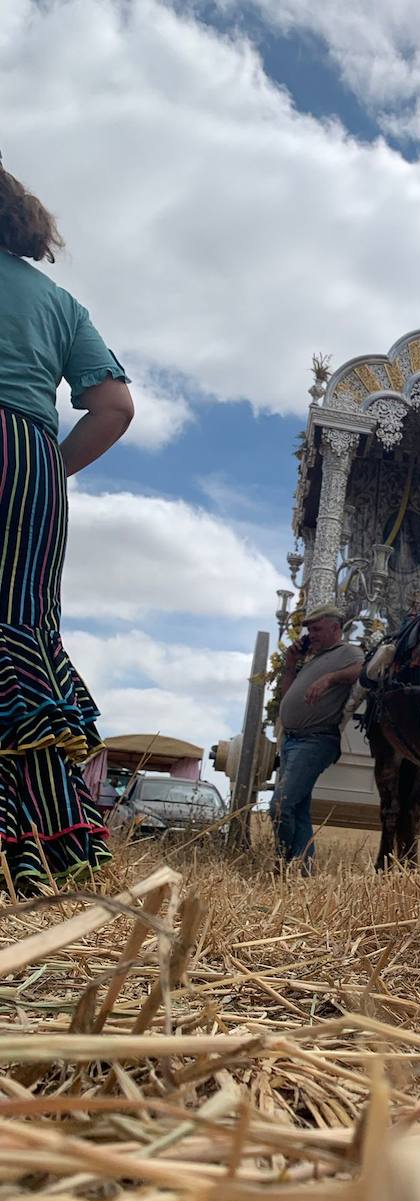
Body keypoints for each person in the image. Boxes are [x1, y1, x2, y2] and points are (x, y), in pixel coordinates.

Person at [0, 159, 134, 892]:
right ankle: (41, 845)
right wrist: (45, 467)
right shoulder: (58, 302)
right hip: (28, 461)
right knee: (20, 632)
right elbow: (114, 407)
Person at [271, 604, 363, 871]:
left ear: (336, 628)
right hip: (292, 741)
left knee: (279, 806)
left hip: (315, 740)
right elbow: (287, 698)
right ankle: (303, 868)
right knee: (297, 809)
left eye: (318, 629)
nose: (312, 635)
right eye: (309, 630)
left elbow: (364, 670)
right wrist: (290, 666)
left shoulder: (348, 652)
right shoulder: (313, 659)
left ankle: (284, 863)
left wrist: (330, 679)